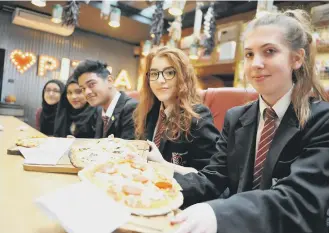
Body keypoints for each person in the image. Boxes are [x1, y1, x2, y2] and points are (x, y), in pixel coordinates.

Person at [170, 10, 329, 233]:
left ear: (297, 58)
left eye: (269, 52)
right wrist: (161, 187)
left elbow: (299, 199)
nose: (256, 63)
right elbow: (213, 178)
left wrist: (218, 214)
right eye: (249, 55)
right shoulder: (236, 117)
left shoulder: (322, 119)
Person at [133, 46, 221, 174]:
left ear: (183, 76)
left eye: (169, 73)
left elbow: (210, 175)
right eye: (154, 74)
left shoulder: (198, 116)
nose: (160, 80)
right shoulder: (148, 113)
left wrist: (163, 165)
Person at [73, 60, 137, 139]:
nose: (87, 92)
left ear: (109, 81)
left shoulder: (131, 108)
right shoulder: (99, 110)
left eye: (91, 84)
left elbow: (128, 148)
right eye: (82, 88)